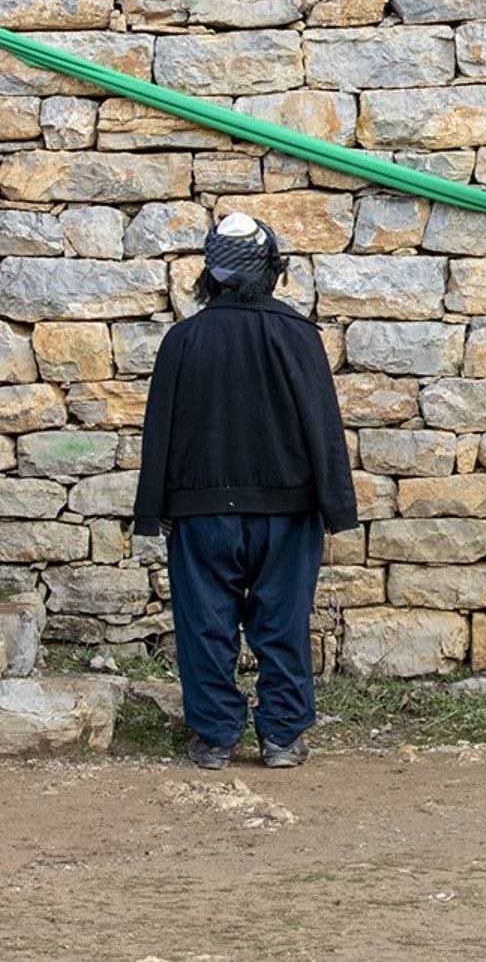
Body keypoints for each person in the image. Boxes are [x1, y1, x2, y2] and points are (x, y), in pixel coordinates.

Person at [132, 212, 357, 771]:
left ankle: (214, 738)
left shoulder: (184, 339)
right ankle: (282, 736)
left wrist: (153, 510)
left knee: (204, 623)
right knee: (282, 622)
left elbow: (159, 430)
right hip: (288, 510)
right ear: (271, 270)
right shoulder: (297, 335)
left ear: (210, 272)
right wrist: (335, 507)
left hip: (202, 511)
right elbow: (323, 427)